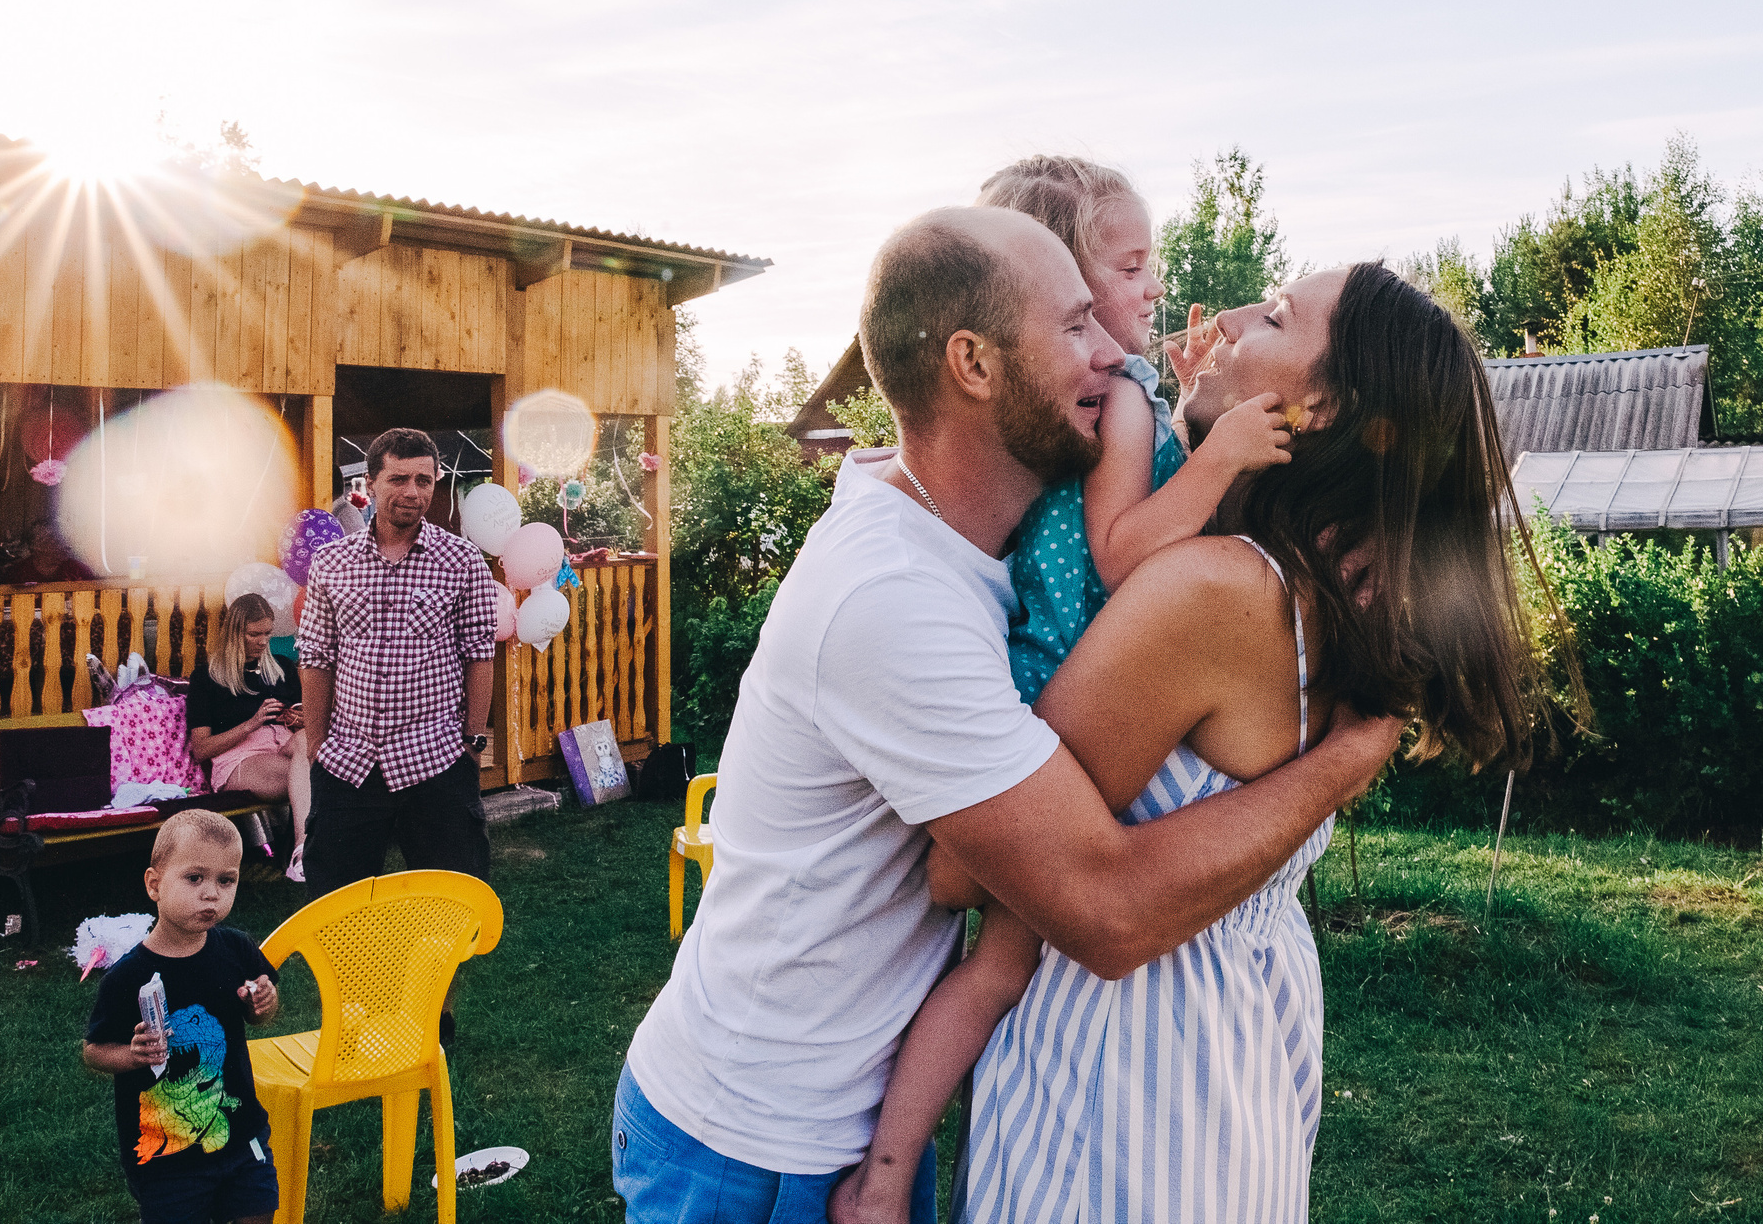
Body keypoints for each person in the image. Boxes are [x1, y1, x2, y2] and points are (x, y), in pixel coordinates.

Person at [613, 207, 1405, 1224]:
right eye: (1076, 326)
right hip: (755, 1138)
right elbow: (1099, 906)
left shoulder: (980, 555)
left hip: (846, 1109)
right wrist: (1348, 759)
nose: (1114, 352)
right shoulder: (893, 598)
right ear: (973, 365)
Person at [831, 262, 1537, 1224]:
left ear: (1319, 405)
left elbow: (962, 872)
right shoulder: (1331, 599)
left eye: (1278, 316)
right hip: (1246, 1041)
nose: (1236, 316)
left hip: (1126, 1077)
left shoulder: (1211, 590)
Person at [972, 155, 1297, 705]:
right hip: (1080, 677)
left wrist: (1188, 413)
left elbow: (1137, 487)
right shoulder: (1121, 393)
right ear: (1060, 281)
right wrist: (1221, 455)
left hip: (1046, 666)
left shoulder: (1097, 396)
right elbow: (1121, 559)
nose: (1156, 288)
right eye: (1130, 269)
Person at [296, 427, 500, 906]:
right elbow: (316, 657)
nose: (413, 492)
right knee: (337, 910)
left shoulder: (463, 561)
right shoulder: (331, 563)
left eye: (424, 481)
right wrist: (317, 747)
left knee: (451, 907)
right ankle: (353, 982)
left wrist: (470, 742)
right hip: (348, 763)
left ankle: (434, 984)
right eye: (399, 479)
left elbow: (479, 655)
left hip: (435, 760)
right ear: (369, 483)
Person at [80, 808, 284, 1224]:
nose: (212, 894)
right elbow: (93, 1051)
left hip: (240, 1130)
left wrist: (264, 1003)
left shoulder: (235, 949)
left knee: (258, 1213)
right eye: (195, 878)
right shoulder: (128, 977)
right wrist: (133, 1055)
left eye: (226, 880)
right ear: (155, 884)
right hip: (167, 1155)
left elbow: (261, 1016)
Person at [189, 592, 311, 882]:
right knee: (319, 776)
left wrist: (299, 718)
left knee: (309, 739)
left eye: (267, 633)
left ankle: (302, 849)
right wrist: (252, 722)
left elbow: (301, 721)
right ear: (235, 632)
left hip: (285, 745)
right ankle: (305, 852)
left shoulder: (280, 667)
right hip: (240, 758)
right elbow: (201, 749)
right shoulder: (207, 677)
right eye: (254, 634)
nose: (262, 641)